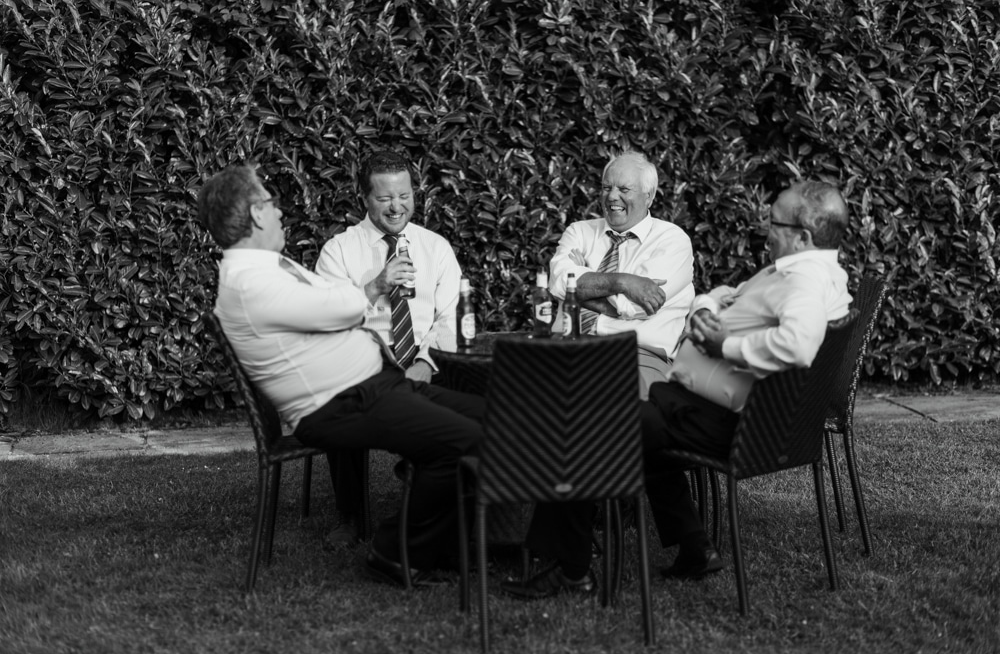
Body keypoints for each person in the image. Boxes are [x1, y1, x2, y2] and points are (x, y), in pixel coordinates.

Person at [501, 180, 852, 599]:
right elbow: (725, 293)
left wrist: (724, 345)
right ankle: (694, 546)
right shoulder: (809, 271)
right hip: (696, 409)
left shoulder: (803, 283)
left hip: (722, 422)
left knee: (587, 423)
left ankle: (567, 566)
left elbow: (797, 345)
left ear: (802, 237)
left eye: (773, 222)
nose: (766, 230)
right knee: (637, 422)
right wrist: (707, 307)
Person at [198, 164, 482, 587]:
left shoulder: (269, 268)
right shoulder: (248, 282)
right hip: (344, 402)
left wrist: (355, 306)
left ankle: (448, 543)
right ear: (256, 214)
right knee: (466, 442)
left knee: (490, 417)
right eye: (273, 203)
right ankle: (397, 551)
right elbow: (341, 308)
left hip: (374, 387)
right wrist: (367, 294)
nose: (280, 213)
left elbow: (335, 304)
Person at [313, 150, 462, 547]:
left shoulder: (436, 248)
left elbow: (451, 318)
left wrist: (426, 363)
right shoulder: (339, 251)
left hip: (423, 361)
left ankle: (449, 508)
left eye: (405, 196)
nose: (397, 207)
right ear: (364, 198)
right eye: (385, 199)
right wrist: (375, 287)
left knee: (473, 389)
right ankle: (350, 515)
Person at [548, 151, 694, 399]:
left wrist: (585, 282)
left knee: (605, 404)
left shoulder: (672, 240)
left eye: (624, 189)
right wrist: (623, 282)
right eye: (606, 187)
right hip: (563, 346)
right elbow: (558, 282)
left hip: (636, 356)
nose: (612, 196)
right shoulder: (580, 231)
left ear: (649, 196)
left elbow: (634, 306)